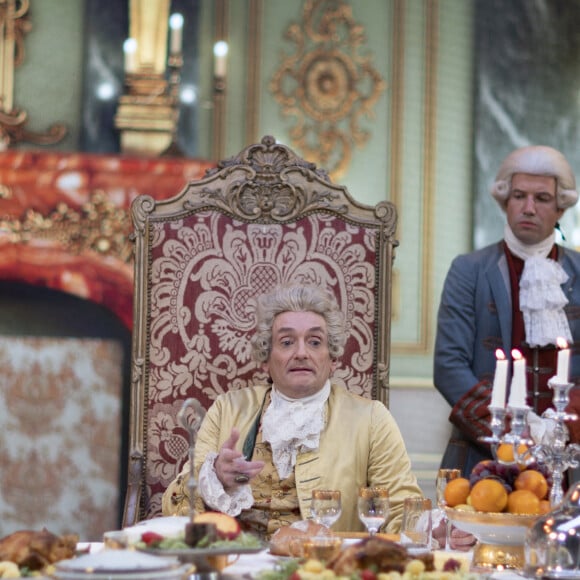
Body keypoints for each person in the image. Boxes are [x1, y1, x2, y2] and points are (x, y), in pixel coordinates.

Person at [162, 284, 423, 539]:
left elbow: (401, 511)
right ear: (265, 360)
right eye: (286, 342)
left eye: (315, 342)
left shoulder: (371, 419)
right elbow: (175, 508)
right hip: (237, 563)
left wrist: (438, 529)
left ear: (332, 359)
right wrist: (217, 478)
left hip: (323, 567)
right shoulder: (227, 408)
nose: (301, 353)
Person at [434, 145, 580, 476]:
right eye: (519, 196)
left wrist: (562, 431)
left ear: (560, 208)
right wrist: (514, 431)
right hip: (483, 455)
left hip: (569, 460)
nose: (529, 208)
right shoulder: (468, 269)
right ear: (505, 203)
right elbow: (449, 366)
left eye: (542, 198)